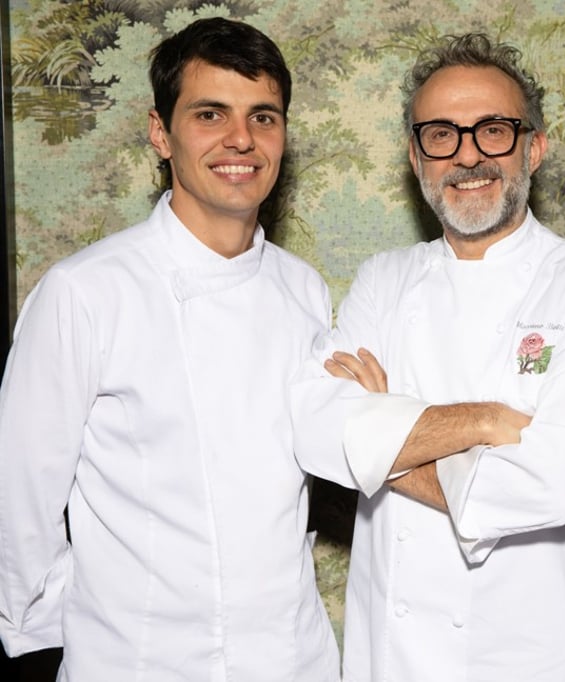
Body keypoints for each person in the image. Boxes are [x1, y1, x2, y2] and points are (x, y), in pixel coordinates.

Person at [290, 32, 565, 682]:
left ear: (534, 146)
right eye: (441, 134)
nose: (468, 155)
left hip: (525, 654)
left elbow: (550, 482)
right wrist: (482, 420)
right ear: (415, 157)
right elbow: (314, 428)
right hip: (388, 660)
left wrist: (378, 444)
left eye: (493, 131)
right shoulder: (383, 279)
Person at [0, 18, 340, 680]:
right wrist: (91, 621)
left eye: (263, 117)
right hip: (137, 661)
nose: (241, 139)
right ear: (162, 133)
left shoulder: (304, 289)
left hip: (292, 657)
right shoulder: (84, 293)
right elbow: (19, 501)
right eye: (210, 113)